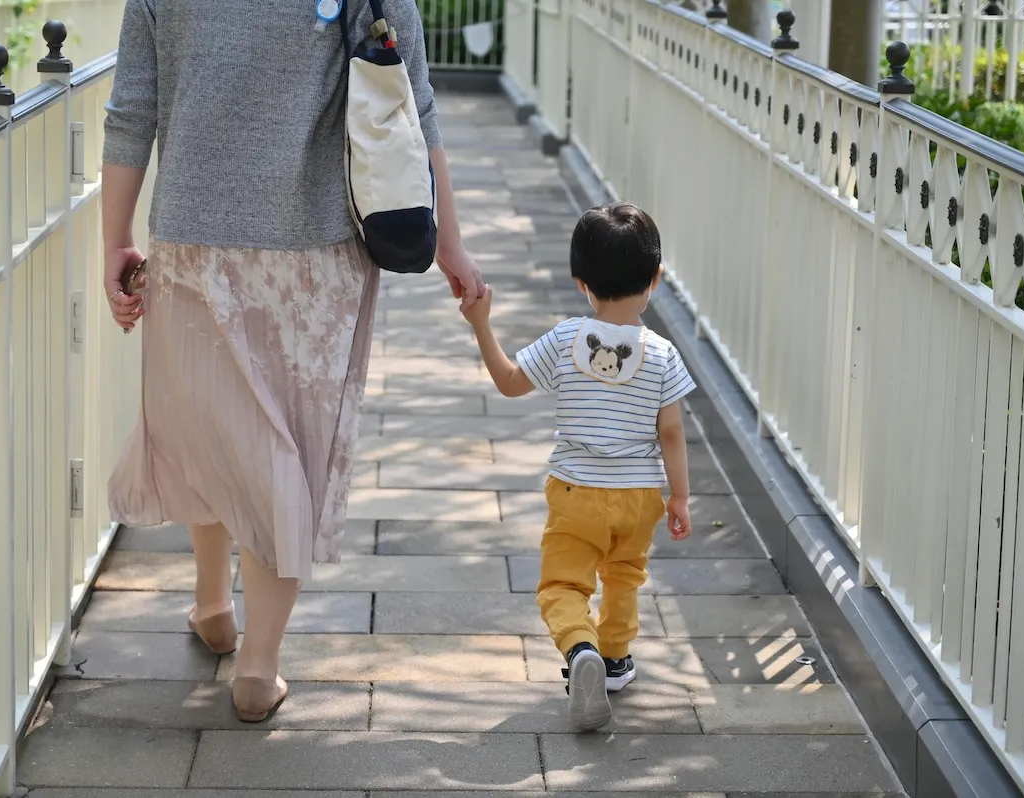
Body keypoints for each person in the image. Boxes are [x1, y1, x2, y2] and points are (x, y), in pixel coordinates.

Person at [100, 0, 485, 723]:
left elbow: (132, 110)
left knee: (210, 427)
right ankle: (258, 664)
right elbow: (412, 102)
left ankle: (213, 604)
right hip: (318, 249)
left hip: (192, 238)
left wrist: (114, 238)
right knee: (286, 444)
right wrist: (451, 243)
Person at [460, 202, 693, 731]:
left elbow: (510, 381)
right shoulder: (662, 354)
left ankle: (579, 647)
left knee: (563, 587)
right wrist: (678, 496)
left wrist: (481, 325)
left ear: (581, 283)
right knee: (624, 576)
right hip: (639, 497)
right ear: (656, 278)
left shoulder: (567, 339)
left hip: (576, 493)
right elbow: (672, 433)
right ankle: (614, 659)